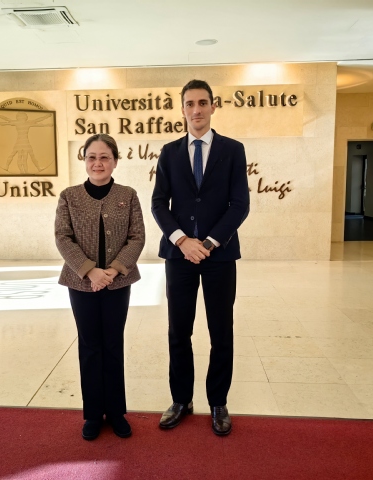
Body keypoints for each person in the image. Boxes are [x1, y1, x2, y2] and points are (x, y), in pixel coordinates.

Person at [151, 79, 250, 436]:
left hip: (219, 256)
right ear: (182, 109)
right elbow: (158, 203)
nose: (196, 109)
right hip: (179, 257)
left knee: (221, 332)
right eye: (190, 103)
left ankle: (218, 402)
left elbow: (240, 204)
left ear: (213, 107)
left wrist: (207, 243)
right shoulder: (169, 152)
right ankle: (181, 400)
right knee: (179, 331)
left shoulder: (232, 150)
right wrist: (181, 241)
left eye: (202, 103)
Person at [55, 133, 145, 440]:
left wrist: (113, 270)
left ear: (115, 161)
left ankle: (116, 412)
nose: (98, 163)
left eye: (104, 157)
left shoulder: (128, 195)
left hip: (118, 283)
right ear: (84, 161)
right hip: (81, 284)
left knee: (113, 345)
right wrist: (90, 271)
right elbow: (63, 237)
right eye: (91, 157)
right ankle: (93, 414)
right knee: (90, 346)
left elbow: (137, 237)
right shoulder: (69, 196)